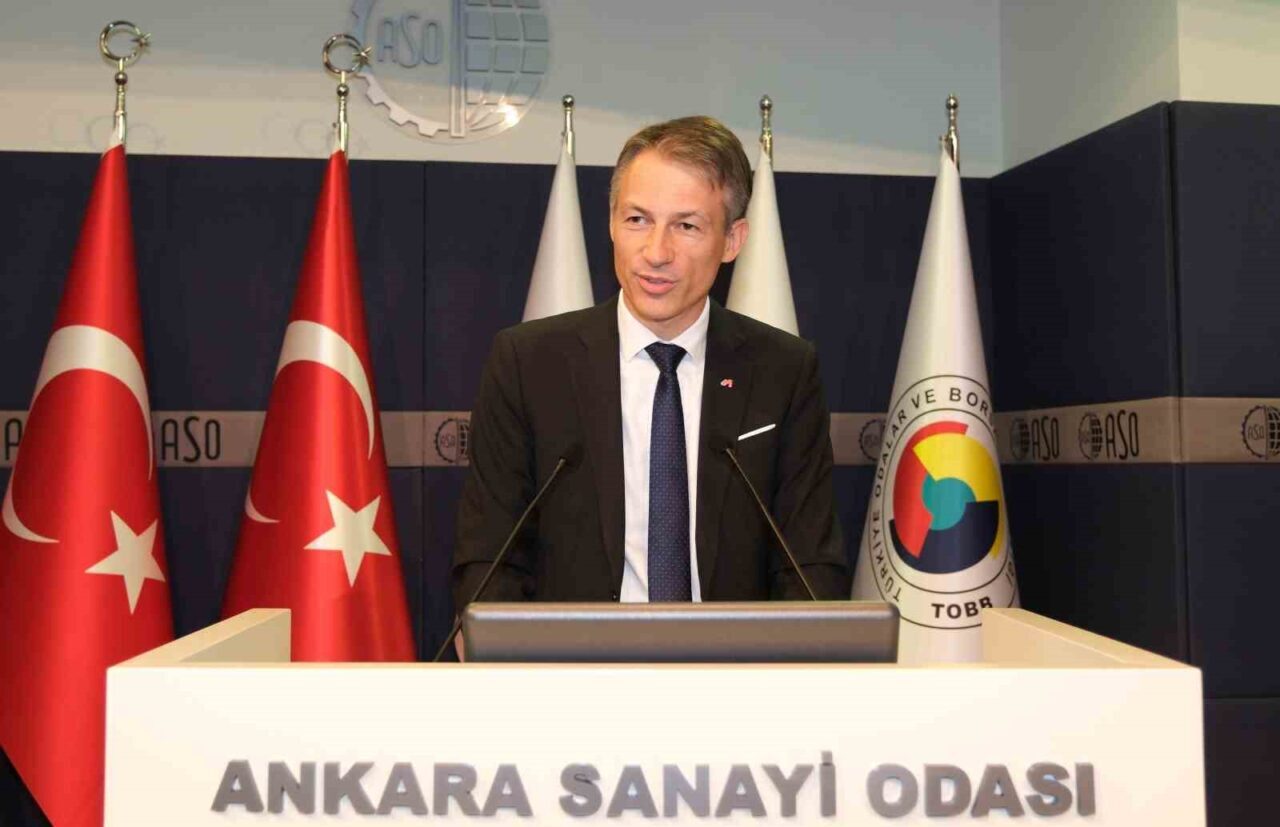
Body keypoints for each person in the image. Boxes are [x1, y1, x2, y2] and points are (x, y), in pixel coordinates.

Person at [453, 115, 848, 608]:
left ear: (732, 240)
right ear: (611, 222)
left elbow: (808, 564)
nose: (656, 252)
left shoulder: (783, 371)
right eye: (637, 219)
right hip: (573, 654)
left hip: (736, 654)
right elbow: (491, 559)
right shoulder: (529, 364)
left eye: (686, 226)